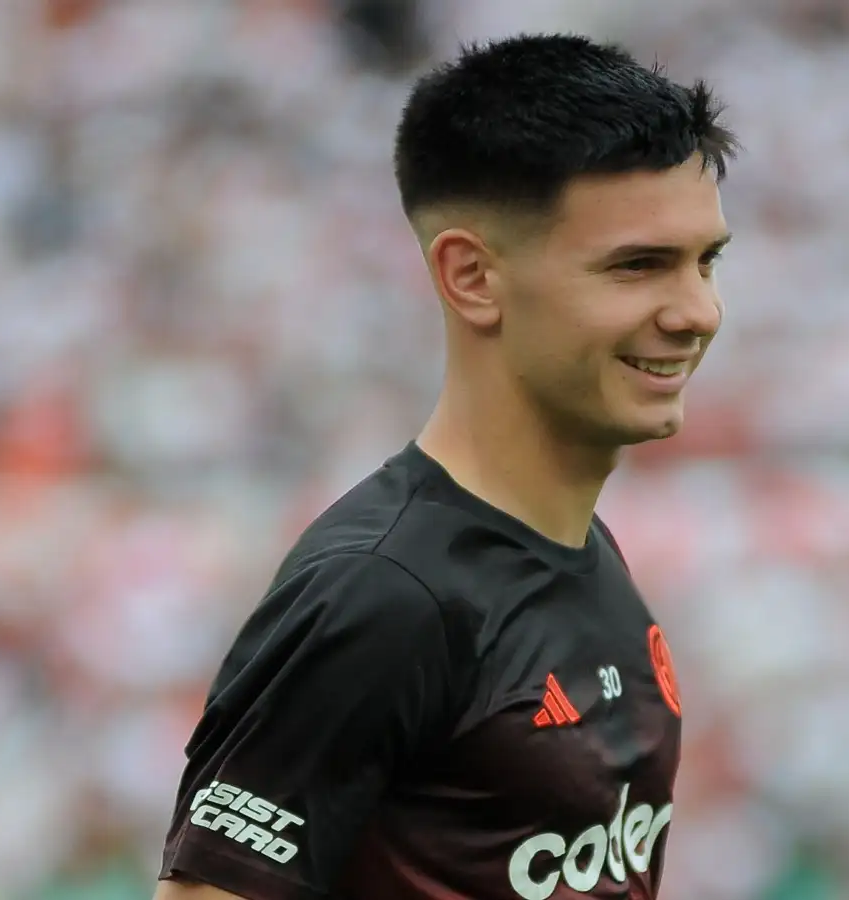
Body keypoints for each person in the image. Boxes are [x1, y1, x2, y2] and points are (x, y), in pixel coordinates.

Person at [151, 32, 737, 900]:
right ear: (471, 277)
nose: (698, 312)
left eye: (706, 261)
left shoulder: (583, 551)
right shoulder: (384, 595)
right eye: (638, 266)